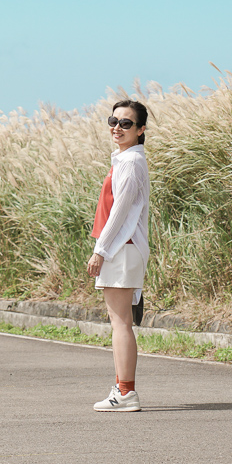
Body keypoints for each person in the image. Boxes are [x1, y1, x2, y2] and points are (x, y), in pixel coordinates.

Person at [87, 99, 150, 412]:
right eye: (113, 121)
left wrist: (100, 251)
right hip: (122, 249)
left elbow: (120, 213)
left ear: (140, 130)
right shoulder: (125, 160)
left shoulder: (132, 162)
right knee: (120, 322)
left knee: (120, 323)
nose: (117, 127)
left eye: (126, 123)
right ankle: (123, 390)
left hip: (121, 250)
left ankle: (125, 393)